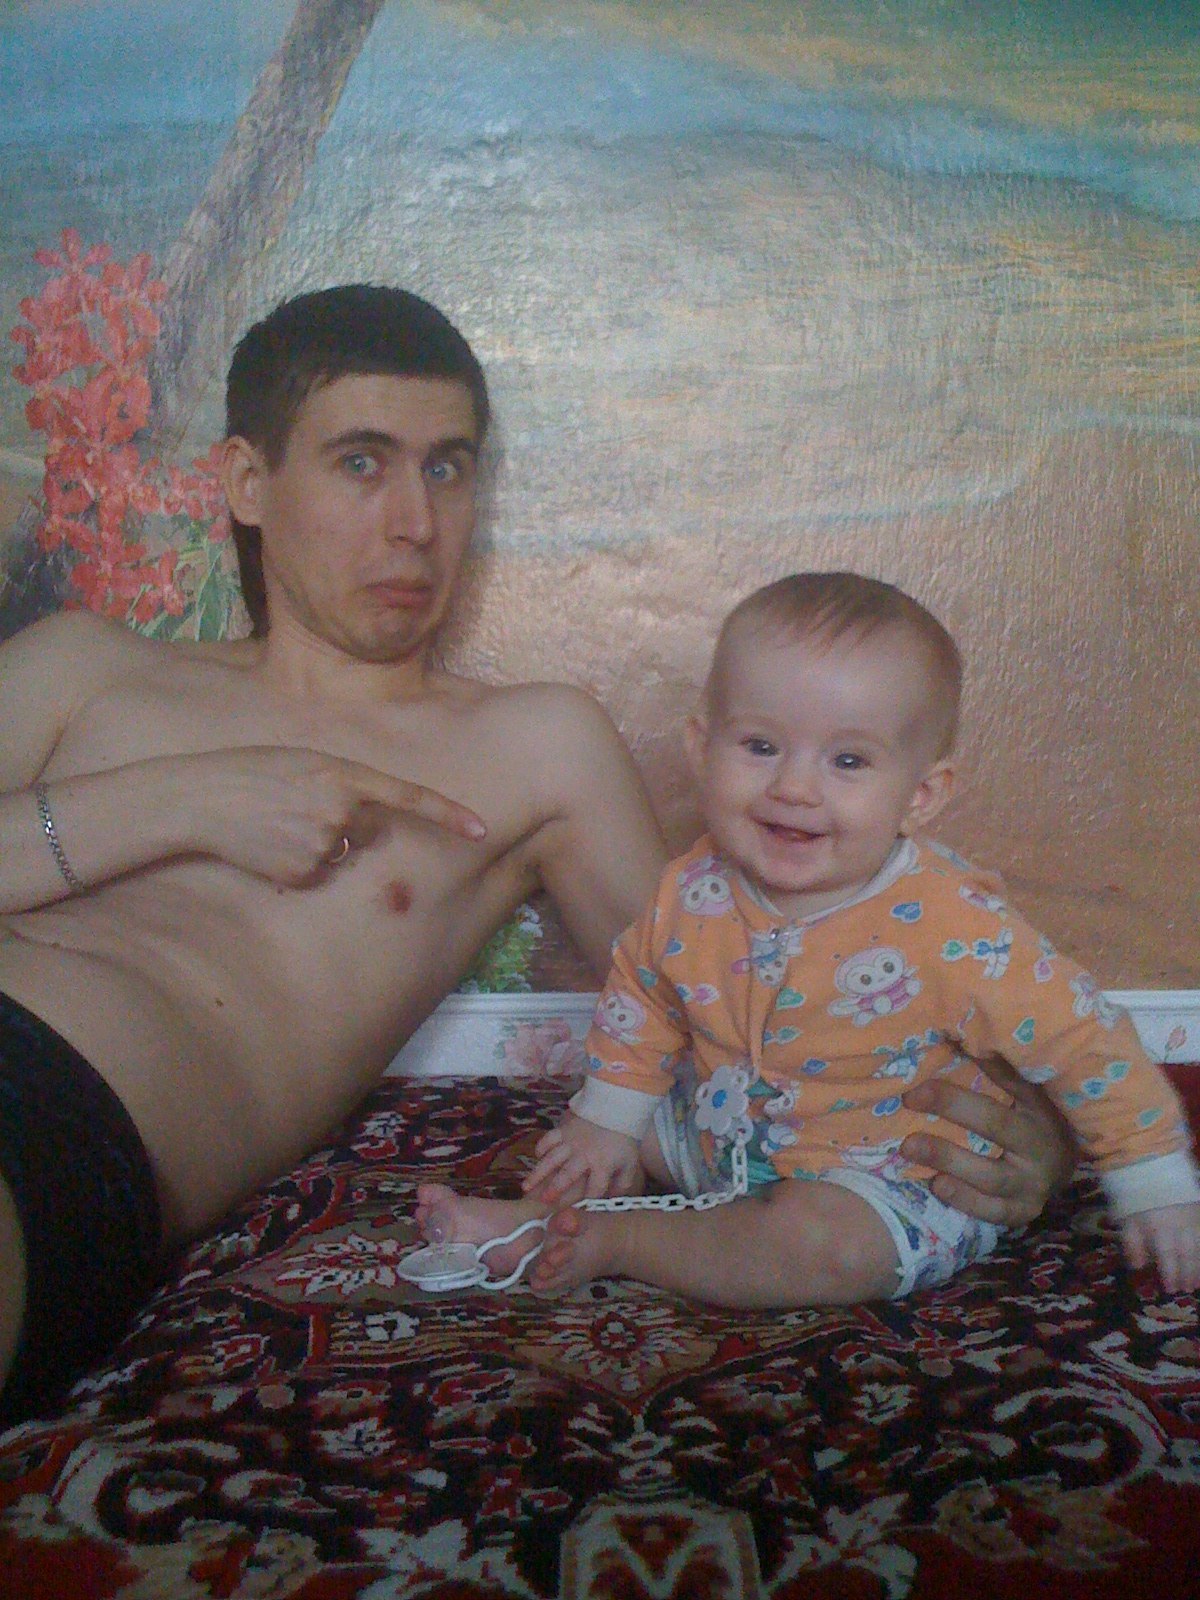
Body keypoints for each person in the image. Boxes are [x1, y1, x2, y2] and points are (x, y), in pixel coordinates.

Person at [0, 291, 1068, 1428]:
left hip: (53, 1112)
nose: (416, 522)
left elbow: (742, 996)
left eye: (448, 468)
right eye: (362, 462)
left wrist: (1033, 1130)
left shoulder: (530, 743)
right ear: (247, 482)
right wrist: (183, 800)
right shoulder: (82, 667)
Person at [415, 572, 1200, 1306]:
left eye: (848, 760)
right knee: (601, 1129)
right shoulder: (692, 887)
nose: (794, 787)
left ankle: (622, 1241)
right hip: (721, 1133)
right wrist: (609, 1117)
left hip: (882, 1172)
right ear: (701, 749)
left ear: (920, 795)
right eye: (760, 746)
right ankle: (531, 1219)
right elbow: (644, 991)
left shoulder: (953, 925)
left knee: (826, 1247)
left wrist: (1152, 1178)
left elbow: (1084, 1036)